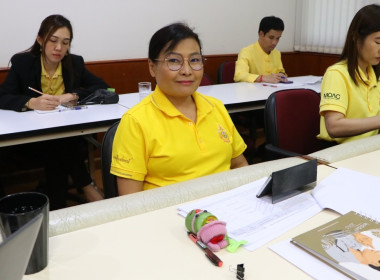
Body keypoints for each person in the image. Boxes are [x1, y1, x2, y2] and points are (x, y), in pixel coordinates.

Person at [111, 23, 248, 195]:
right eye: (174, 61)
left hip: (227, 209)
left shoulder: (216, 107)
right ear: (152, 68)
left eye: (195, 60)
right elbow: (130, 201)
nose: (186, 70)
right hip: (172, 217)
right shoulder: (135, 122)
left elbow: (240, 165)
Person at [0, 14, 108, 209]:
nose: (59, 48)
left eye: (65, 43)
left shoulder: (74, 63)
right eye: (53, 40)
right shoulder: (23, 63)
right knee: (59, 145)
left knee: (60, 142)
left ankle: (58, 205)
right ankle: (86, 186)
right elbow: (2, 96)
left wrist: (72, 95)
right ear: (40, 40)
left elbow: (102, 87)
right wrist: (31, 102)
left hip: (66, 137)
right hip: (31, 140)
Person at [318, 4, 380, 144]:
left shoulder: (375, 74)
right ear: (356, 38)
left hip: (368, 148)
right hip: (339, 153)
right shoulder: (337, 74)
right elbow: (334, 126)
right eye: (378, 42)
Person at [234, 16, 288, 83]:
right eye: (271, 37)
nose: (275, 42)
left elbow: (281, 71)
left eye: (278, 38)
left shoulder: (276, 53)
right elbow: (239, 76)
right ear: (261, 34)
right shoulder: (246, 52)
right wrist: (262, 78)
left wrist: (282, 75)